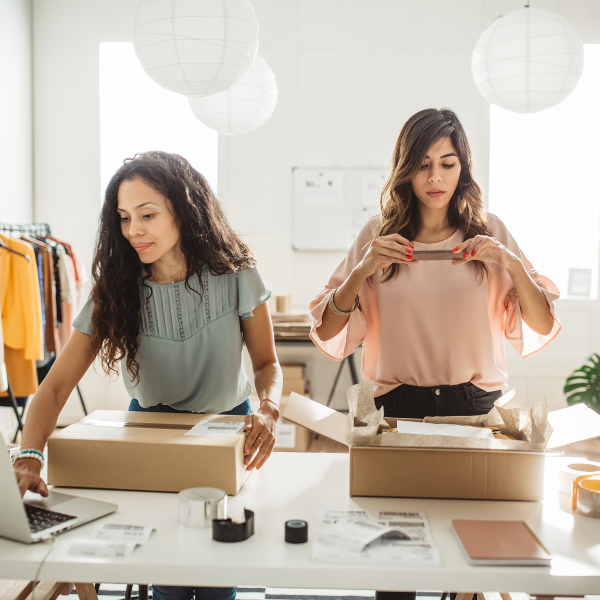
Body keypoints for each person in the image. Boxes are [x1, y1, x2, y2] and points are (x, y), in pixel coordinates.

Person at [310, 108, 561, 600]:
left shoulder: (490, 233)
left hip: (475, 412)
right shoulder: (376, 236)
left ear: (463, 168)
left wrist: (508, 260)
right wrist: (361, 270)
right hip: (396, 413)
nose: (435, 177)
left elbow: (542, 322)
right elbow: (328, 328)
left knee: (472, 564)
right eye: (423, 164)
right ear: (405, 169)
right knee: (394, 560)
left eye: (447, 163)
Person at [13, 151, 283, 600]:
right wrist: (28, 454)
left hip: (228, 428)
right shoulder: (117, 287)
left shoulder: (237, 272)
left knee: (219, 572)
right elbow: (56, 386)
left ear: (184, 209)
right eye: (123, 218)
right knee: (168, 573)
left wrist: (270, 408)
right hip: (148, 432)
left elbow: (266, 363)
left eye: (147, 215)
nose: (133, 230)